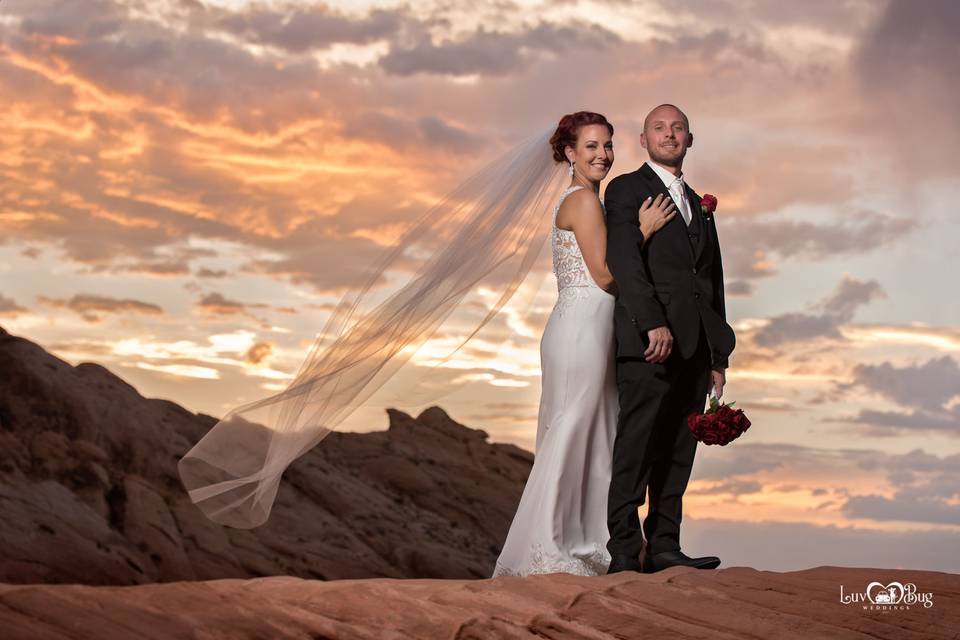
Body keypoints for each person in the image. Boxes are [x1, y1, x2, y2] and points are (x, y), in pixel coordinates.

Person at [492, 111, 675, 577]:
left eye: (608, 145)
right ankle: (551, 550)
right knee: (575, 432)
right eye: (591, 146)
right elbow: (606, 274)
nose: (603, 155)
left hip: (583, 326)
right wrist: (642, 230)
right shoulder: (585, 203)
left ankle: (580, 542)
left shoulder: (583, 200)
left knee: (591, 434)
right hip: (582, 330)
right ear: (570, 153)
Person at [603, 104, 736, 574]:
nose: (669, 134)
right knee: (636, 445)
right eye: (659, 128)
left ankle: (664, 547)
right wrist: (650, 322)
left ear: (690, 139)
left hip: (696, 348)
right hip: (649, 342)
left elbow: (712, 281)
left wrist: (718, 355)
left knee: (680, 450)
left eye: (677, 128)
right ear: (643, 140)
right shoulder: (625, 189)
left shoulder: (700, 203)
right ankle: (622, 551)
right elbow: (623, 259)